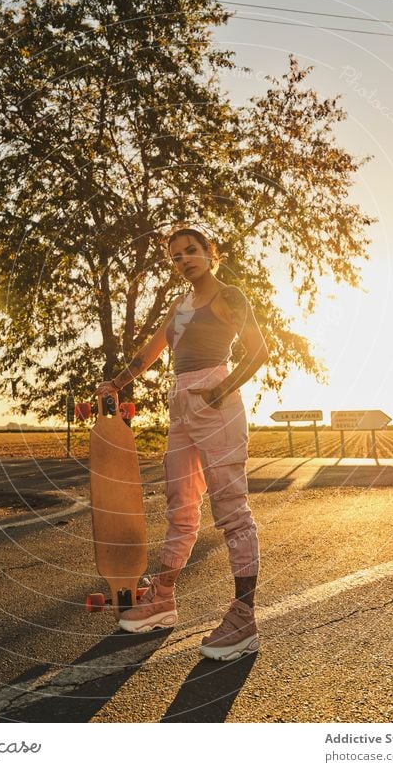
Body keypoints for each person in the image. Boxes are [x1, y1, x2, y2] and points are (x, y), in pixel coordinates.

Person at [92, 227, 269, 660]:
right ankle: (163, 597)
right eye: (175, 256)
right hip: (180, 404)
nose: (184, 260)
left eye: (191, 251)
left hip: (216, 401)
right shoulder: (181, 304)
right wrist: (116, 383)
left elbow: (259, 351)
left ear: (211, 253)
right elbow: (151, 350)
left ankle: (244, 617)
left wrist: (222, 389)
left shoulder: (229, 296)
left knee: (231, 509)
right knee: (180, 506)